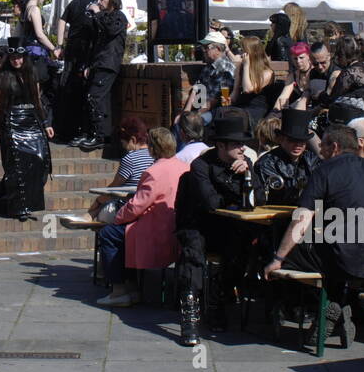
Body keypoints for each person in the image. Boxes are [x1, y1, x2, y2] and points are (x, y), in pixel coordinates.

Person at [263, 124, 364, 345]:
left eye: (322, 145)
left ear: (334, 146)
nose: (319, 150)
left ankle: (315, 308)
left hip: (344, 258)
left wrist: (277, 258)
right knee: (334, 244)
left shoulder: (325, 170)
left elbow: (302, 218)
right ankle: (339, 304)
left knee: (283, 246)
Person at [174, 113, 256, 335]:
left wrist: (247, 177)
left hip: (225, 227)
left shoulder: (245, 164)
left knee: (242, 246)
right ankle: (189, 314)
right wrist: (232, 181)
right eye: (237, 144)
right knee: (193, 254)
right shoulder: (201, 165)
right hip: (196, 224)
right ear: (220, 144)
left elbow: (258, 201)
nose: (242, 149)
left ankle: (217, 301)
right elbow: (212, 203)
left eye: (243, 144)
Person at [98, 128, 188, 315]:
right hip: (176, 227)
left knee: (108, 233)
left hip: (155, 230)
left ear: (153, 148)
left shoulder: (153, 172)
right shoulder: (184, 166)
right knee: (121, 236)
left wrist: (117, 218)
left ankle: (120, 290)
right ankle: (132, 286)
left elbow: (137, 206)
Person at [0, 46, 53, 221]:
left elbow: (37, 100)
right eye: (12, 58)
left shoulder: (32, 74)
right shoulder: (2, 76)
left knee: (40, 159)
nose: (16, 61)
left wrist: (45, 122)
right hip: (11, 121)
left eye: (19, 57)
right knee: (17, 164)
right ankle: (18, 206)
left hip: (32, 121)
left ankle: (30, 202)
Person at [55, 0, 110, 143]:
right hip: (91, 52)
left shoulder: (76, 1)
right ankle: (86, 131)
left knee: (69, 89)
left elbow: (62, 20)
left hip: (73, 51)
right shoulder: (102, 3)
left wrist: (59, 45)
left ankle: (67, 130)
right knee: (89, 92)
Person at [76, 0, 128, 151]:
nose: (99, 2)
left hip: (109, 63)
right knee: (95, 98)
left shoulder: (119, 16)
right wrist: (89, 65)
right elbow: (96, 44)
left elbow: (111, 29)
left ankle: (101, 136)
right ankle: (95, 134)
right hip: (98, 63)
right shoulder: (101, 18)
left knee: (95, 97)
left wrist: (97, 13)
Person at [252, 108, 318, 205]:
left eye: (302, 141)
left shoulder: (312, 159)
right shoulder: (266, 163)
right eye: (292, 140)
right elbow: (273, 197)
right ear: (281, 139)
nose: (297, 145)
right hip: (277, 215)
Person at [176, 32, 237, 125]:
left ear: (218, 49)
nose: (203, 50)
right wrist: (186, 111)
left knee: (193, 124)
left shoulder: (226, 68)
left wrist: (197, 114)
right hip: (203, 108)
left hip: (217, 111)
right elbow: (196, 89)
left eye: (206, 47)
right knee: (178, 122)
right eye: (202, 47)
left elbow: (215, 100)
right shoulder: (208, 66)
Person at [315, 36, 364, 125]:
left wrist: (320, 95)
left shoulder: (349, 73)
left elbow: (332, 98)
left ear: (342, 55)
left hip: (347, 117)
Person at [11, 0, 58, 83]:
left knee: (30, 84)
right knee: (38, 84)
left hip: (27, 50)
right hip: (35, 52)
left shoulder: (25, 10)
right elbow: (39, 34)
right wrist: (54, 49)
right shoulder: (34, 9)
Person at [231, 36, 278, 124]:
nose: (241, 54)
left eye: (243, 50)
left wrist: (246, 66)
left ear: (252, 52)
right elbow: (235, 94)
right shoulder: (241, 68)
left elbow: (247, 89)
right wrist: (227, 101)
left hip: (257, 108)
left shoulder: (268, 72)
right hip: (241, 105)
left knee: (236, 120)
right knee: (221, 114)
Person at [272, 42, 313, 113]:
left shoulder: (314, 72)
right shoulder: (293, 75)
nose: (298, 61)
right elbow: (283, 97)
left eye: (301, 57)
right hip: (297, 109)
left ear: (308, 56)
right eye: (295, 58)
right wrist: (274, 113)